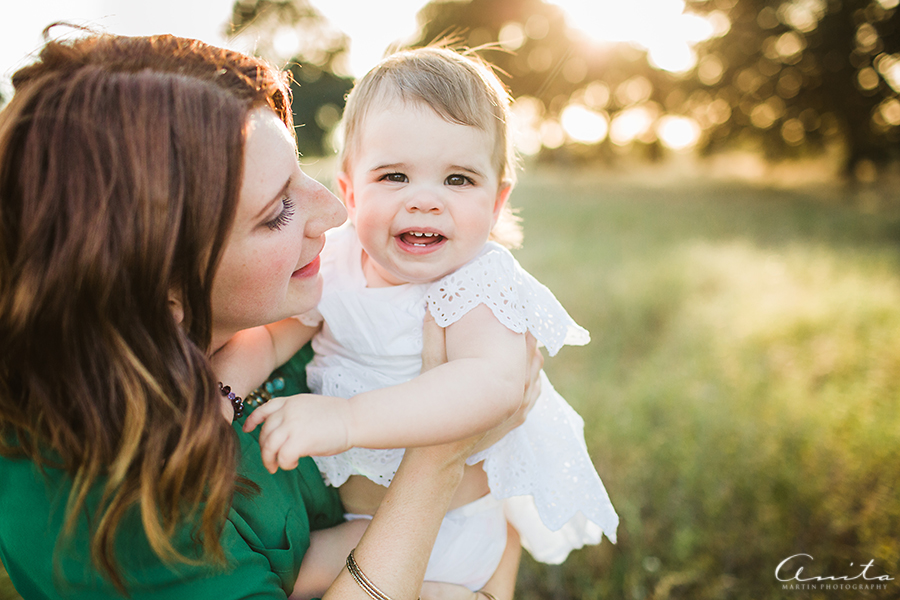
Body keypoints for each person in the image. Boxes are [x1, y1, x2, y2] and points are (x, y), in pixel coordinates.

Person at [0, 30, 538, 600]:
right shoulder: (112, 526)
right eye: (278, 209)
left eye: (299, 168)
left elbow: (501, 455)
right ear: (162, 294)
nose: (335, 213)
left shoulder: (289, 298)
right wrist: (439, 460)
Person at [212, 46, 619, 593]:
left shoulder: (478, 280)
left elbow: (492, 384)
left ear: (497, 203)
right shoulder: (339, 262)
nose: (426, 200)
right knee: (287, 576)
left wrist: (347, 419)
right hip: (365, 523)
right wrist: (220, 391)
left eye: (459, 180)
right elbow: (269, 338)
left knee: (311, 579)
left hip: (454, 527)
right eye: (395, 175)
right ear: (350, 192)